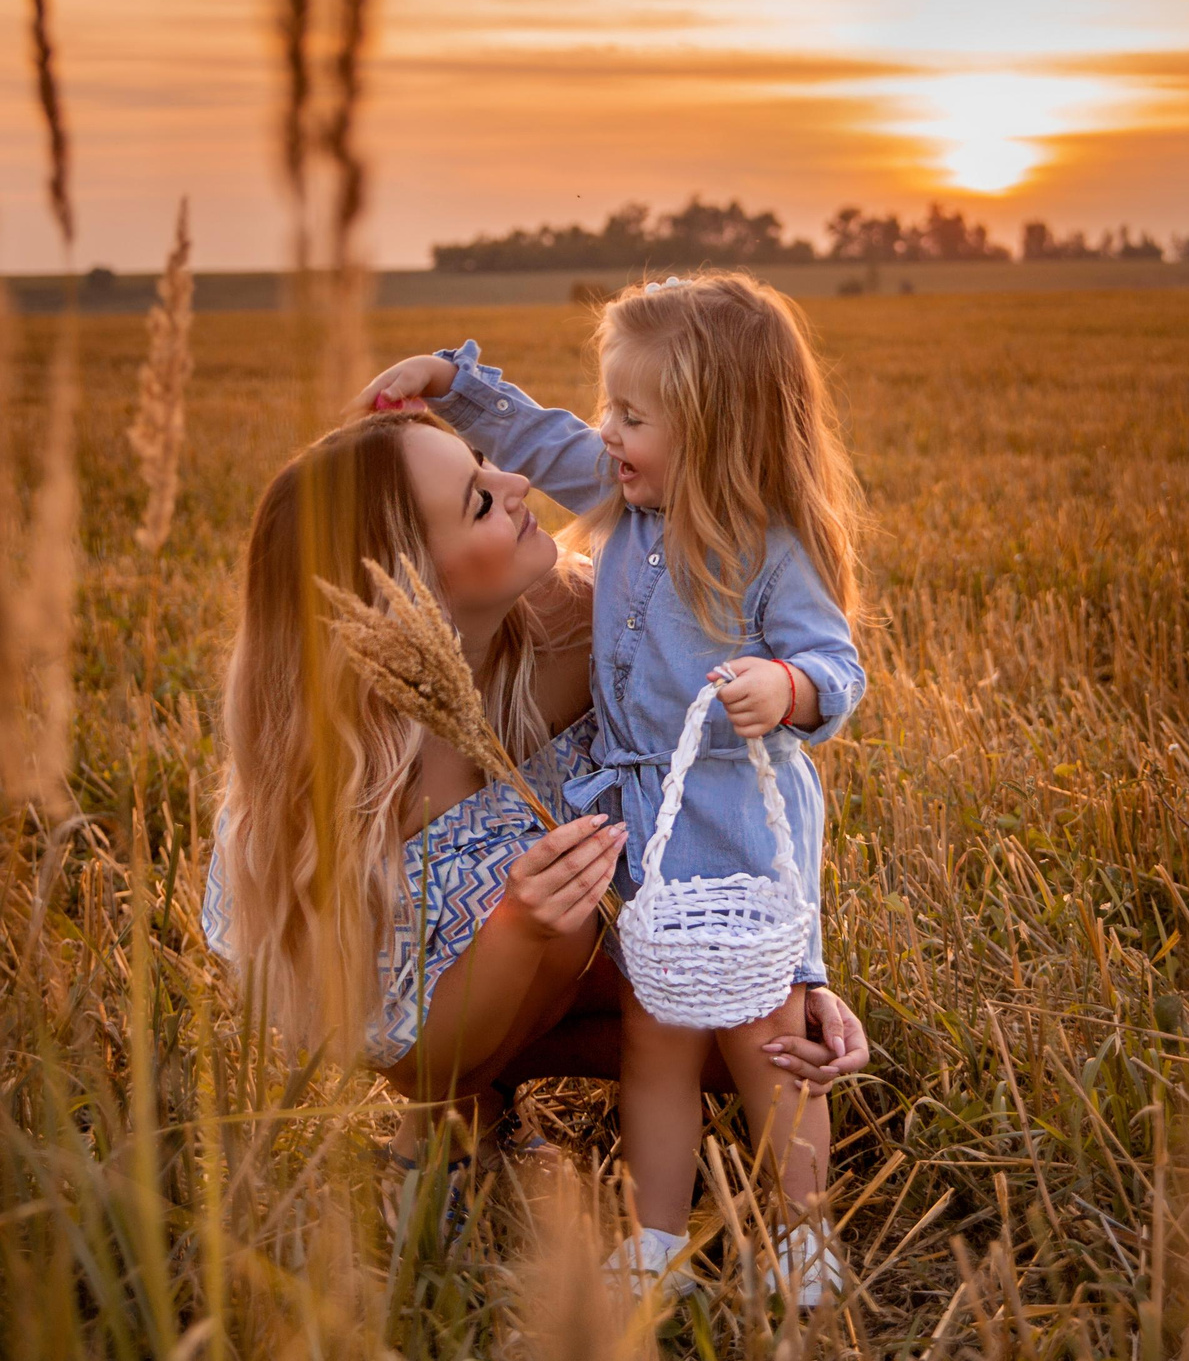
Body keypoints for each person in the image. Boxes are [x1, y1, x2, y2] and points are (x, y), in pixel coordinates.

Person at [199, 412, 870, 1246]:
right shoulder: (335, 772)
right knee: (558, 924)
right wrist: (517, 925)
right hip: (432, 1019)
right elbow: (379, 1032)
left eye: (487, 464)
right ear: (407, 584)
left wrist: (798, 972)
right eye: (479, 500)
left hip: (611, 951)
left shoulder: (594, 630)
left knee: (770, 1043)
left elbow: (740, 793)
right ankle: (453, 1117)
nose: (518, 484)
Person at [355, 270, 868, 1304]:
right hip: (640, 827)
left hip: (737, 828)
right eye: (610, 406)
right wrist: (455, 383)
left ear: (717, 433)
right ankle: (654, 1237)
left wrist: (787, 686)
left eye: (632, 415)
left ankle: (804, 1234)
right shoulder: (627, 501)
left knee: (768, 1040)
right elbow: (539, 438)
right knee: (654, 1040)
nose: (606, 432)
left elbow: (837, 667)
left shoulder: (771, 551)